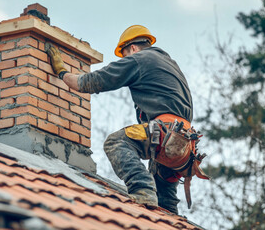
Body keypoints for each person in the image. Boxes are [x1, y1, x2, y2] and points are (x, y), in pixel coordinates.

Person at [47, 25, 193, 214]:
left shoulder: (139, 59)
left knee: (115, 143)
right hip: (183, 146)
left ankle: (143, 189)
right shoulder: (170, 64)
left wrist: (62, 73)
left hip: (163, 133)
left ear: (132, 48)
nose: (125, 59)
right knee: (166, 207)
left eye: (124, 55)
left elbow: (91, 81)